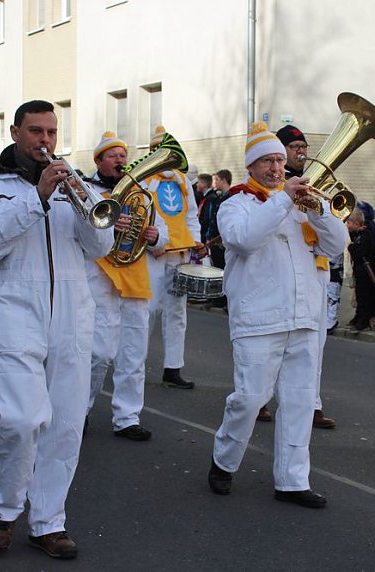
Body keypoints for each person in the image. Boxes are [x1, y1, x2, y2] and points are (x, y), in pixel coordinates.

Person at [0, 100, 113, 559]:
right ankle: (5, 509)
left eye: (51, 131)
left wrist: (84, 201)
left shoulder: (77, 184)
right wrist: (39, 197)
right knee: (19, 419)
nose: (45, 140)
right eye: (35, 131)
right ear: (15, 132)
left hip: (72, 312)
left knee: (66, 424)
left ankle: (48, 521)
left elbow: (100, 245)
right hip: (15, 309)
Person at [208, 122, 346, 507]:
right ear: (251, 166)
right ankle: (224, 458)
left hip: (304, 316)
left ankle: (292, 481)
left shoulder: (301, 205)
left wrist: (319, 213)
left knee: (301, 401)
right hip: (258, 319)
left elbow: (337, 246)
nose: (276, 168)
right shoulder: (236, 203)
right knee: (250, 399)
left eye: (280, 161)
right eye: (267, 161)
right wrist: (284, 199)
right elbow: (245, 239)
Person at [84, 131, 168, 441]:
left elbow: (164, 233)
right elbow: (81, 230)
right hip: (100, 278)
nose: (120, 160)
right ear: (99, 161)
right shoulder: (89, 190)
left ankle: (127, 417)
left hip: (135, 279)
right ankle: (80, 411)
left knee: (134, 354)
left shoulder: (142, 190)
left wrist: (155, 236)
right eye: (112, 155)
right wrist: (106, 225)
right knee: (97, 352)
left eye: (122, 155)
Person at [273, 124, 338, 429]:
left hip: (318, 266)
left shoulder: (315, 183)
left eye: (304, 147)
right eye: (294, 146)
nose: (301, 152)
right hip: (284, 268)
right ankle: (259, 400)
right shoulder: (273, 185)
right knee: (274, 341)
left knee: (315, 343)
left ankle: (311, 404)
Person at [143, 126, 206, 389]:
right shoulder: (144, 180)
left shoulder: (182, 181)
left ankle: (173, 367)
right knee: (147, 311)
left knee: (177, 312)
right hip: (154, 253)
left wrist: (196, 241)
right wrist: (151, 244)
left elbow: (191, 215)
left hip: (179, 253)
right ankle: (135, 363)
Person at [199, 169, 231, 310]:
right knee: (217, 269)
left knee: (225, 270)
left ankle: (225, 299)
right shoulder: (219, 197)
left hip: (222, 241)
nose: (214, 183)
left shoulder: (230, 197)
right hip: (214, 240)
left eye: (217, 179)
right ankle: (218, 297)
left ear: (224, 180)